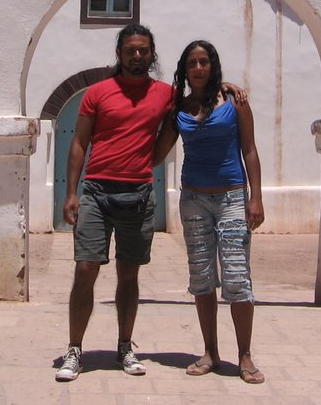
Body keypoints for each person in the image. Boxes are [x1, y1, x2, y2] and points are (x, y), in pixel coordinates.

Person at [55, 24, 245, 383]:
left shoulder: (165, 95)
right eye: (131, 50)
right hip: (96, 191)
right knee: (85, 270)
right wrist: (71, 192)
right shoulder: (97, 93)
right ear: (120, 53)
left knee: (129, 275)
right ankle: (75, 350)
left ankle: (125, 346)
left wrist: (224, 86)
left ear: (151, 54)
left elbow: (198, 95)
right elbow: (79, 143)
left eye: (144, 51)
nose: (137, 56)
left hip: (139, 193)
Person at [154, 39, 266, 384]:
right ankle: (210, 351)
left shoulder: (234, 102)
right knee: (202, 278)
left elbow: (249, 149)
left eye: (204, 62)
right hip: (194, 200)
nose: (198, 68)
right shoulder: (179, 109)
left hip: (232, 196)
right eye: (192, 63)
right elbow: (157, 153)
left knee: (237, 277)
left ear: (213, 65)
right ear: (185, 70)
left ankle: (245, 355)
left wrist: (256, 197)